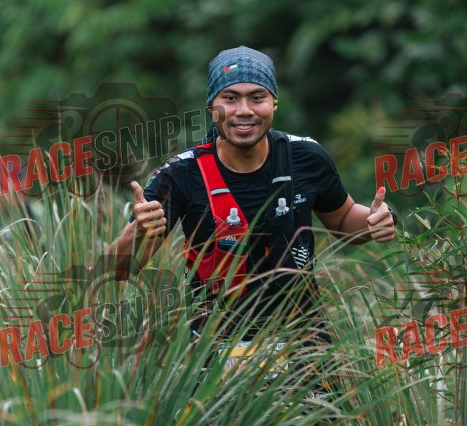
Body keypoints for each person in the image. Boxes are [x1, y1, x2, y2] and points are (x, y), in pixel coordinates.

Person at [109, 45, 396, 359]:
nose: (244, 110)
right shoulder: (180, 174)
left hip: (303, 344)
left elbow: (342, 220)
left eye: (257, 97)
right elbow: (119, 271)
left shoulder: (306, 157)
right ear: (211, 106)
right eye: (230, 98)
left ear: (274, 103)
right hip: (214, 352)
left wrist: (374, 220)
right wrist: (137, 232)